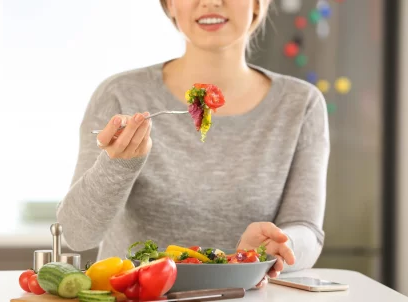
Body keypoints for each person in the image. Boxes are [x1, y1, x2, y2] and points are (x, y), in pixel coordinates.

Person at [57, 0, 329, 288]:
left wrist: (272, 248)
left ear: (257, 4)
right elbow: (76, 235)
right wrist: (117, 166)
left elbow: (307, 231)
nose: (211, 2)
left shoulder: (301, 104)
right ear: (170, 5)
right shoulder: (120, 95)